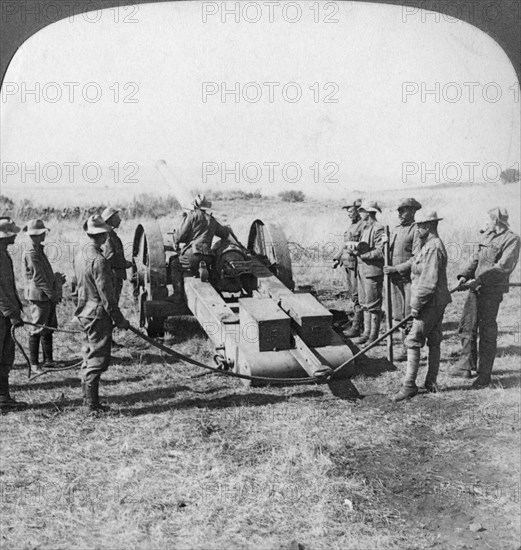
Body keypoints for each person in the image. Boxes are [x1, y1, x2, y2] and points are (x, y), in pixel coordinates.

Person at [450, 207, 520, 388]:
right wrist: (464, 276)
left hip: (491, 291)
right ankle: (466, 366)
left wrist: (480, 279)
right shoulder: (487, 235)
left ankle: (484, 375)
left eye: (489, 219)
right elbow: (475, 259)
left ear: (496, 221)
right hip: (475, 288)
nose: (487, 222)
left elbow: (503, 267)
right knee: (467, 325)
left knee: (487, 332)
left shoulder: (512, 239)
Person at [385, 211, 451, 401]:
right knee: (434, 340)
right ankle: (431, 382)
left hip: (430, 303)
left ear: (428, 226)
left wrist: (416, 304)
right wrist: (396, 269)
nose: (417, 228)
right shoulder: (428, 246)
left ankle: (409, 385)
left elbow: (428, 282)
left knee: (413, 340)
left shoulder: (433, 248)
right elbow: (413, 263)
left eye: (420, 225)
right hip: (435, 301)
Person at [74, 215, 130, 413]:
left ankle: (87, 400)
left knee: (88, 355)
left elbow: (78, 286)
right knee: (98, 358)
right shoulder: (100, 261)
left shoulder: (81, 254)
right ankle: (91, 405)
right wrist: (119, 319)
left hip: (84, 311)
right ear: (103, 235)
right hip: (98, 314)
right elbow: (107, 297)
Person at [22, 219, 66, 374]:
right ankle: (34, 364)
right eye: (41, 233)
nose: (44, 235)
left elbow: (44, 275)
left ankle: (48, 361)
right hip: (39, 296)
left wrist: (56, 280)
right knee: (37, 328)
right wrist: (52, 294)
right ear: (36, 235)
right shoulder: (31, 253)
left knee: (48, 327)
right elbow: (39, 277)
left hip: (45, 295)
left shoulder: (38, 250)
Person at [170, 194, 230, 303]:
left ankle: (178, 294)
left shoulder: (192, 216)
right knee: (210, 268)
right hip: (208, 256)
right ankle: (205, 273)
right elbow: (225, 234)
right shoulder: (212, 220)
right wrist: (226, 228)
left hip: (192, 254)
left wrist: (175, 239)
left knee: (175, 265)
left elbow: (180, 236)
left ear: (195, 206)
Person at [388, 198, 422, 360]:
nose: (400, 214)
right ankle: (403, 346)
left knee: (409, 314)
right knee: (398, 314)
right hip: (394, 279)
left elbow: (416, 258)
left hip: (409, 279)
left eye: (404, 211)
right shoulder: (395, 230)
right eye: (399, 211)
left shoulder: (416, 230)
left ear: (413, 211)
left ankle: (410, 349)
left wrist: (397, 268)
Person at [0, 218, 28, 411]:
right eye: (12, 233)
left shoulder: (3, 254)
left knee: (5, 356)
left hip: (5, 315)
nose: (16, 235)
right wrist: (11, 313)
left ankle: (3, 397)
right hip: (2, 315)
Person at [349, 201, 384, 345]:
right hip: (363, 271)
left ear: (369, 212)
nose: (360, 213)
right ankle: (366, 333)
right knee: (365, 303)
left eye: (362, 210)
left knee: (373, 306)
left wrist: (363, 255)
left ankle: (373, 337)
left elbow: (381, 251)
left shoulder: (378, 228)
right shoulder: (366, 228)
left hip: (372, 272)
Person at [333, 198, 365, 337]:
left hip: (357, 265)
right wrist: (338, 257)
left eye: (350, 211)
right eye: (347, 212)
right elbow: (346, 244)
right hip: (348, 264)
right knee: (353, 294)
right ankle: (356, 322)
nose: (348, 214)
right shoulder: (352, 225)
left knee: (358, 295)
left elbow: (362, 247)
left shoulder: (363, 226)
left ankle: (358, 326)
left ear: (358, 211)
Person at [101, 207, 132, 305]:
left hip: (115, 276)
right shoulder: (109, 237)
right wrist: (125, 264)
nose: (120, 219)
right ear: (110, 220)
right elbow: (110, 259)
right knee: (112, 304)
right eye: (117, 217)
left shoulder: (111, 235)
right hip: (113, 277)